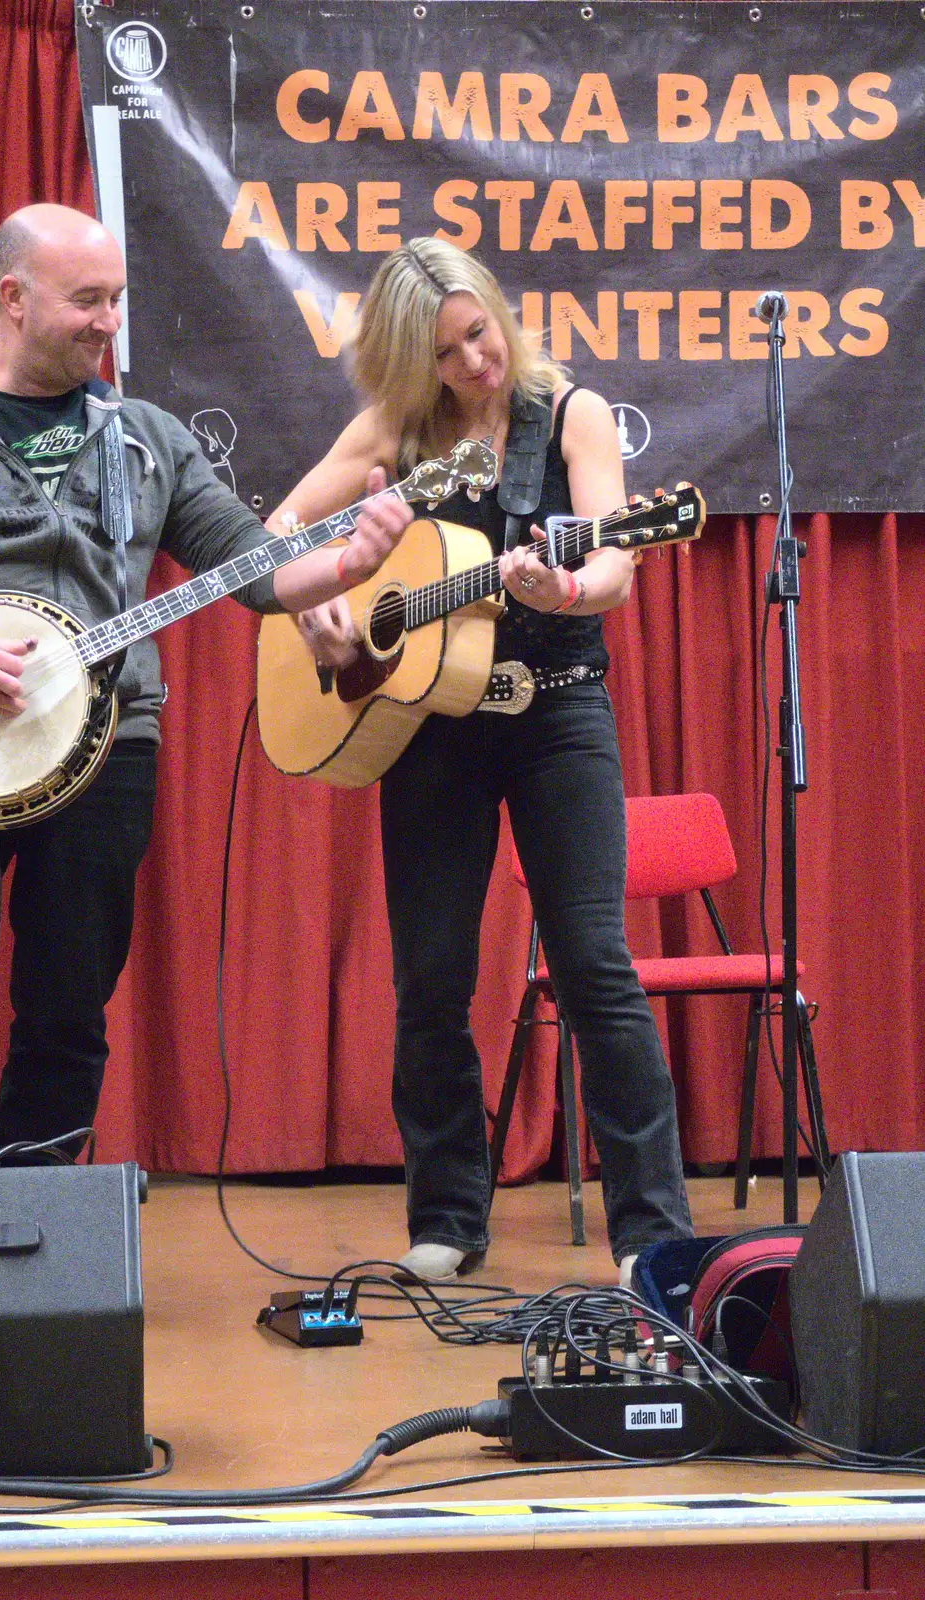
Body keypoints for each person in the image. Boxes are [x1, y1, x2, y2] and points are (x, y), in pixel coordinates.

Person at [0, 203, 411, 1171]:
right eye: (86, 300)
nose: (107, 321)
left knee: (68, 1002)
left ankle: (35, 1231)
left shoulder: (149, 437)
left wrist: (336, 567)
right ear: (12, 297)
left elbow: (244, 563)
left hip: (104, 751)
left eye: (116, 299)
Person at [268, 238, 694, 1284]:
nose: (476, 360)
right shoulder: (394, 431)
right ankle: (447, 1221)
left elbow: (610, 562)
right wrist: (318, 595)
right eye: (448, 351)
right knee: (429, 978)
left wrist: (567, 588)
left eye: (479, 331)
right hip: (430, 731)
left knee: (595, 964)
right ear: (411, 363)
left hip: (556, 714)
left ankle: (651, 1235)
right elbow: (277, 524)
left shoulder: (573, 414)